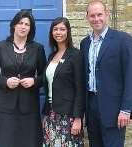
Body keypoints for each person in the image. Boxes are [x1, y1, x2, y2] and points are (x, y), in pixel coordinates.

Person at [0, 10, 46, 147]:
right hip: (5, 107)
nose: (23, 26)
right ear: (14, 25)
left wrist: (34, 81)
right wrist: (5, 81)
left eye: (27, 24)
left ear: (30, 29)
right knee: (6, 142)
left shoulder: (38, 49)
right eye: (20, 23)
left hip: (29, 107)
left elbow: (45, 76)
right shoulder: (0, 47)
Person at [80, 1, 132, 147]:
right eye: (92, 16)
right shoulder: (85, 43)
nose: (96, 19)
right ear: (87, 17)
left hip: (114, 110)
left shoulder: (123, 40)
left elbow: (130, 76)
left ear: (107, 14)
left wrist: (126, 109)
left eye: (99, 14)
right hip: (91, 107)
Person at [42, 17, 85, 147]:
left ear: (68, 32)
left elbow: (80, 88)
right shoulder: (52, 56)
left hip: (68, 116)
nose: (58, 32)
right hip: (50, 114)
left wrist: (78, 118)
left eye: (62, 29)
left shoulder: (75, 55)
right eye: (55, 29)